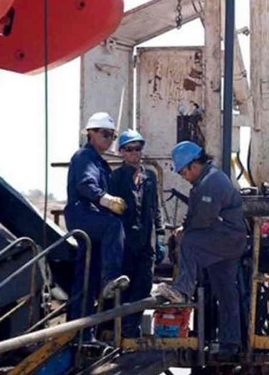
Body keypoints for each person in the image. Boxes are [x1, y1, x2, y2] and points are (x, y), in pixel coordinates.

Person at [153, 141, 246, 356]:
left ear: (194, 165)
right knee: (225, 292)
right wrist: (184, 227)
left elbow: (203, 218)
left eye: (183, 172)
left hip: (226, 238)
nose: (183, 177)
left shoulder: (211, 182)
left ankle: (182, 290)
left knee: (190, 242)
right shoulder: (204, 181)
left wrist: (185, 233)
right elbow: (195, 214)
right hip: (225, 240)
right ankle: (230, 342)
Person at [65, 112, 129, 334]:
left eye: (112, 135)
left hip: (90, 218)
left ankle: (80, 333)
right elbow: (86, 184)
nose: (109, 139)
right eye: (105, 134)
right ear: (90, 134)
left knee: (87, 275)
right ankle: (110, 277)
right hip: (82, 214)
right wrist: (107, 200)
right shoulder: (85, 156)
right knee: (113, 225)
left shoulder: (100, 162)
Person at [109, 129, 165, 339]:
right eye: (129, 149)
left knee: (144, 285)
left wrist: (160, 235)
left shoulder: (150, 177)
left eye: (137, 148)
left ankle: (131, 328)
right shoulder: (115, 178)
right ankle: (122, 330)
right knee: (125, 287)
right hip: (124, 242)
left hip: (146, 241)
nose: (134, 153)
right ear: (122, 152)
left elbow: (155, 208)